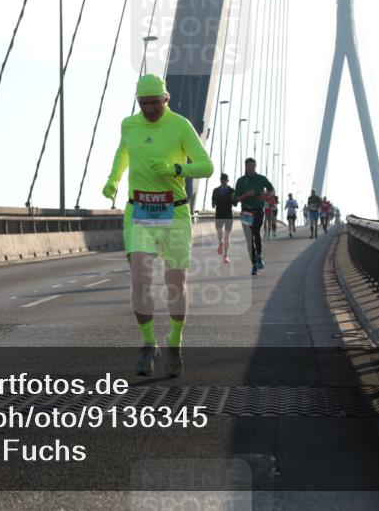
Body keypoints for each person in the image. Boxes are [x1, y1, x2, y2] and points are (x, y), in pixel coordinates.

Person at [103, 74, 213, 377]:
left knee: (175, 283)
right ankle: (148, 343)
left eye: (155, 102)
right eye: (144, 103)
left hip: (174, 214)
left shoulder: (180, 126)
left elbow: (206, 165)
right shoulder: (129, 125)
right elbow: (123, 152)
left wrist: (176, 169)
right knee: (140, 278)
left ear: (166, 99)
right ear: (138, 102)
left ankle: (175, 342)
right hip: (138, 212)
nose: (150, 108)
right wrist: (113, 180)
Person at [234, 158, 274, 276]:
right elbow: (236, 199)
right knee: (249, 239)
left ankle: (259, 255)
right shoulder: (241, 181)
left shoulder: (261, 179)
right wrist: (246, 195)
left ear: (255, 166)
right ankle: (254, 264)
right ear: (245, 167)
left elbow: (272, 189)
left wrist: (267, 195)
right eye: (249, 166)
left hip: (258, 212)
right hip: (246, 212)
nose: (251, 168)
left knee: (256, 232)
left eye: (253, 166)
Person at [210, 173, 235, 264]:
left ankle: (226, 255)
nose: (223, 181)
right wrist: (213, 203)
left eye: (225, 180)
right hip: (219, 215)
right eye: (222, 180)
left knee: (227, 237)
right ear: (220, 180)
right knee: (220, 235)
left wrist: (233, 198)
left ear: (228, 181)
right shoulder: (215, 190)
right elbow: (213, 203)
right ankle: (220, 243)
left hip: (228, 215)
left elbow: (235, 203)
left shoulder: (232, 190)